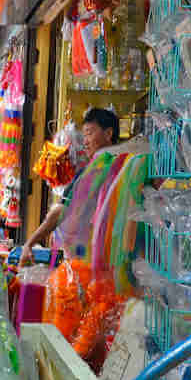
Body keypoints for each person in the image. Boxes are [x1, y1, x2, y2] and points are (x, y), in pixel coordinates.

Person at [19, 107, 119, 267]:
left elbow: (60, 211)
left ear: (108, 134)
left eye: (90, 133)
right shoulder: (122, 165)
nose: (85, 141)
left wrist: (29, 243)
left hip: (89, 262)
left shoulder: (95, 171)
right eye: (84, 134)